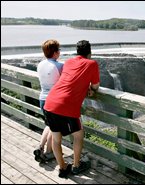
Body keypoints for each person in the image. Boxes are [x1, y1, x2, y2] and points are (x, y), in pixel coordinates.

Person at [44, 40, 100, 178]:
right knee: (78, 136)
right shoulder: (92, 63)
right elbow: (96, 85)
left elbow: (71, 79)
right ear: (90, 53)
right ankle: (76, 165)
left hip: (50, 102)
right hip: (67, 106)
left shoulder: (68, 62)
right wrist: (91, 89)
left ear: (77, 51)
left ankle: (62, 168)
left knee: (56, 138)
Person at [34, 39, 63, 163]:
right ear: (55, 52)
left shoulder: (40, 64)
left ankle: (40, 147)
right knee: (54, 127)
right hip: (54, 101)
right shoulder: (59, 66)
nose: (60, 52)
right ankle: (49, 152)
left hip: (42, 99)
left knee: (49, 125)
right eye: (59, 50)